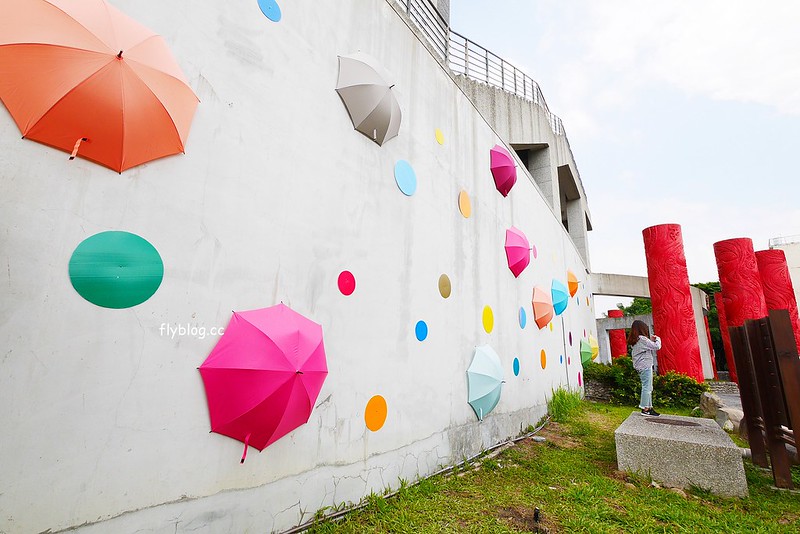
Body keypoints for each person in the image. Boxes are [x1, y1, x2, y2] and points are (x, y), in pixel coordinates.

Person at [627, 320, 661, 416]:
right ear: (642, 329)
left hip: (641, 366)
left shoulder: (636, 339)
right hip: (645, 366)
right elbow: (657, 346)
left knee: (648, 387)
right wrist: (657, 338)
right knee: (647, 387)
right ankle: (645, 408)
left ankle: (649, 407)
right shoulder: (642, 339)